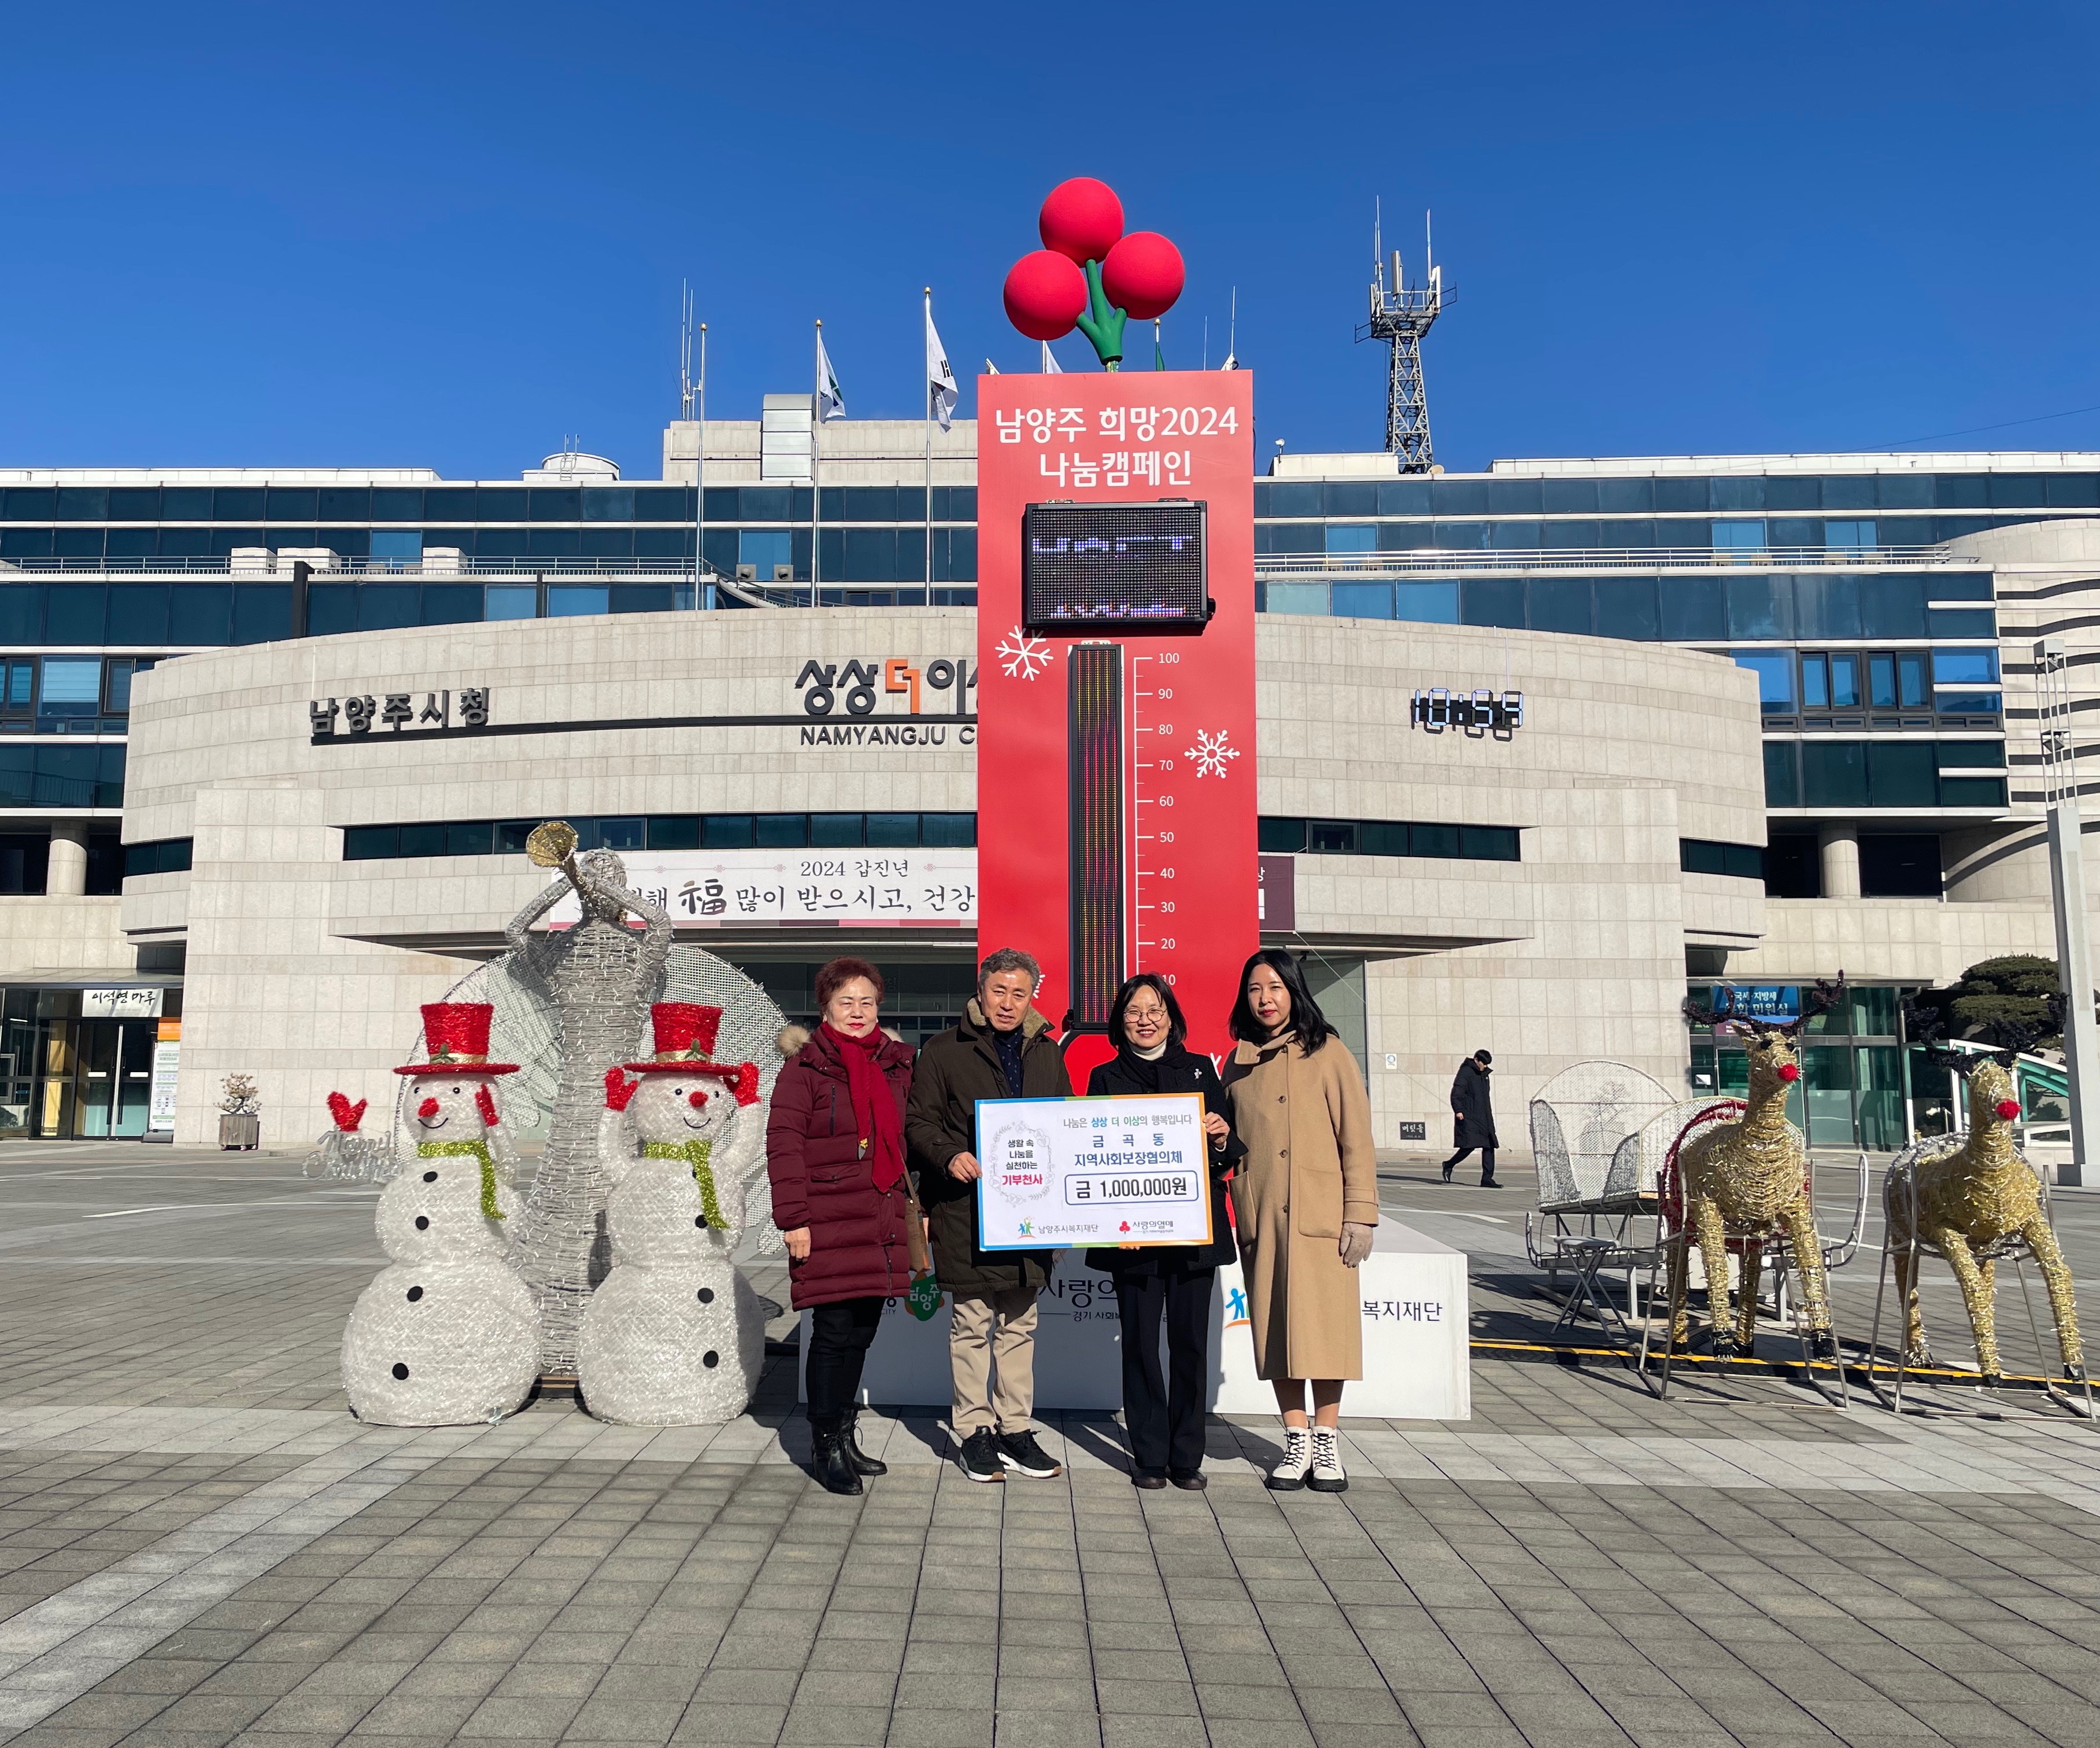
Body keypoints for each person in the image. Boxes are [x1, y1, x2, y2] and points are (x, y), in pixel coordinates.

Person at [906, 947, 1072, 1483]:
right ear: (980, 992)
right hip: (967, 1209)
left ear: (1031, 998)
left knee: (1020, 1325)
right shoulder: (943, 1050)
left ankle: (1015, 1429)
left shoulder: (1046, 1052)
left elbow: (1064, 1125)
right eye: (998, 991)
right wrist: (949, 1154)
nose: (1007, 1002)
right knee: (973, 1324)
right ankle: (975, 1431)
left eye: (1018, 993)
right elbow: (919, 1122)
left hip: (1030, 1212)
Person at [1221, 949, 1378, 1493]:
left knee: (1327, 1332)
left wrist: (1361, 1214)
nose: (1265, 999)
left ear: (1294, 991)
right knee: (1276, 1331)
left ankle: (1327, 1441)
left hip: (1322, 1217)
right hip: (1264, 1214)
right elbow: (1227, 1140)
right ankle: (1295, 1440)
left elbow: (1356, 1138)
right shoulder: (1237, 1062)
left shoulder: (1329, 1052)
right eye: (1254, 989)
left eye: (1275, 987)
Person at [766, 957, 916, 1495]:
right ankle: (824, 1442)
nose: (857, 1011)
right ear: (825, 1008)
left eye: (867, 1002)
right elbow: (784, 1145)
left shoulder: (897, 1064)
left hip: (879, 1215)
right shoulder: (804, 1068)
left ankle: (845, 1433)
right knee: (832, 1333)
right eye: (845, 1001)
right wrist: (794, 1220)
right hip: (826, 1218)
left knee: (861, 1333)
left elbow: (909, 1138)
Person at [1084, 975, 1241, 1490]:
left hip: (1193, 1235)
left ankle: (1187, 1457)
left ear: (1171, 1018)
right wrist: (1113, 1220)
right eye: (1134, 1011)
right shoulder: (1105, 1076)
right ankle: (1150, 1457)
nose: (1145, 1020)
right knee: (1140, 1347)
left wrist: (1221, 1136)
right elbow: (1094, 1159)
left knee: (1190, 1344)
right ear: (1120, 1021)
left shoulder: (1199, 1070)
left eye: (1155, 1010)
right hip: (1133, 1239)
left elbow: (1227, 1151)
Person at [1441, 1049, 1500, 1187]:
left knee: (1489, 1145)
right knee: (1469, 1146)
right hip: (1469, 1115)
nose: (1484, 1066)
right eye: (1483, 1063)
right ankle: (1449, 1164)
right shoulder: (1466, 1072)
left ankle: (1487, 1179)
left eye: (1486, 1064)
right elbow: (1457, 1092)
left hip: (1484, 1116)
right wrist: (1458, 1110)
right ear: (1476, 1060)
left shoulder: (1484, 1074)